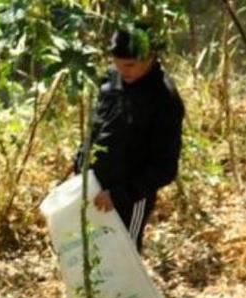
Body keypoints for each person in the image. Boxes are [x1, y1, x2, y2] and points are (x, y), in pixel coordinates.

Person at [76, 24, 185, 254]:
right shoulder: (111, 78)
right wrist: (80, 163)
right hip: (94, 186)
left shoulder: (164, 99)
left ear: (150, 57)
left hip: (129, 197)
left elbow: (165, 167)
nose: (122, 70)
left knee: (123, 256)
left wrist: (119, 196)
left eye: (130, 65)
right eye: (117, 63)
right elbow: (97, 126)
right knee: (91, 254)